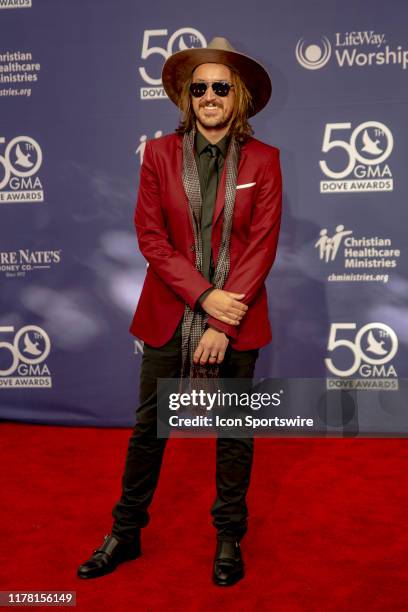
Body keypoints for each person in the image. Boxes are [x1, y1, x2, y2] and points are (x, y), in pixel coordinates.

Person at [77, 36, 282, 587]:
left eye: (220, 87)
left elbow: (261, 245)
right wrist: (203, 297)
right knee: (150, 429)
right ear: (186, 98)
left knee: (234, 432)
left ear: (236, 96)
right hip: (169, 311)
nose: (209, 96)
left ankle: (228, 536)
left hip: (237, 317)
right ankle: (125, 532)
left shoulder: (266, 161)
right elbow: (150, 236)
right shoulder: (160, 156)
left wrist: (221, 320)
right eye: (199, 88)